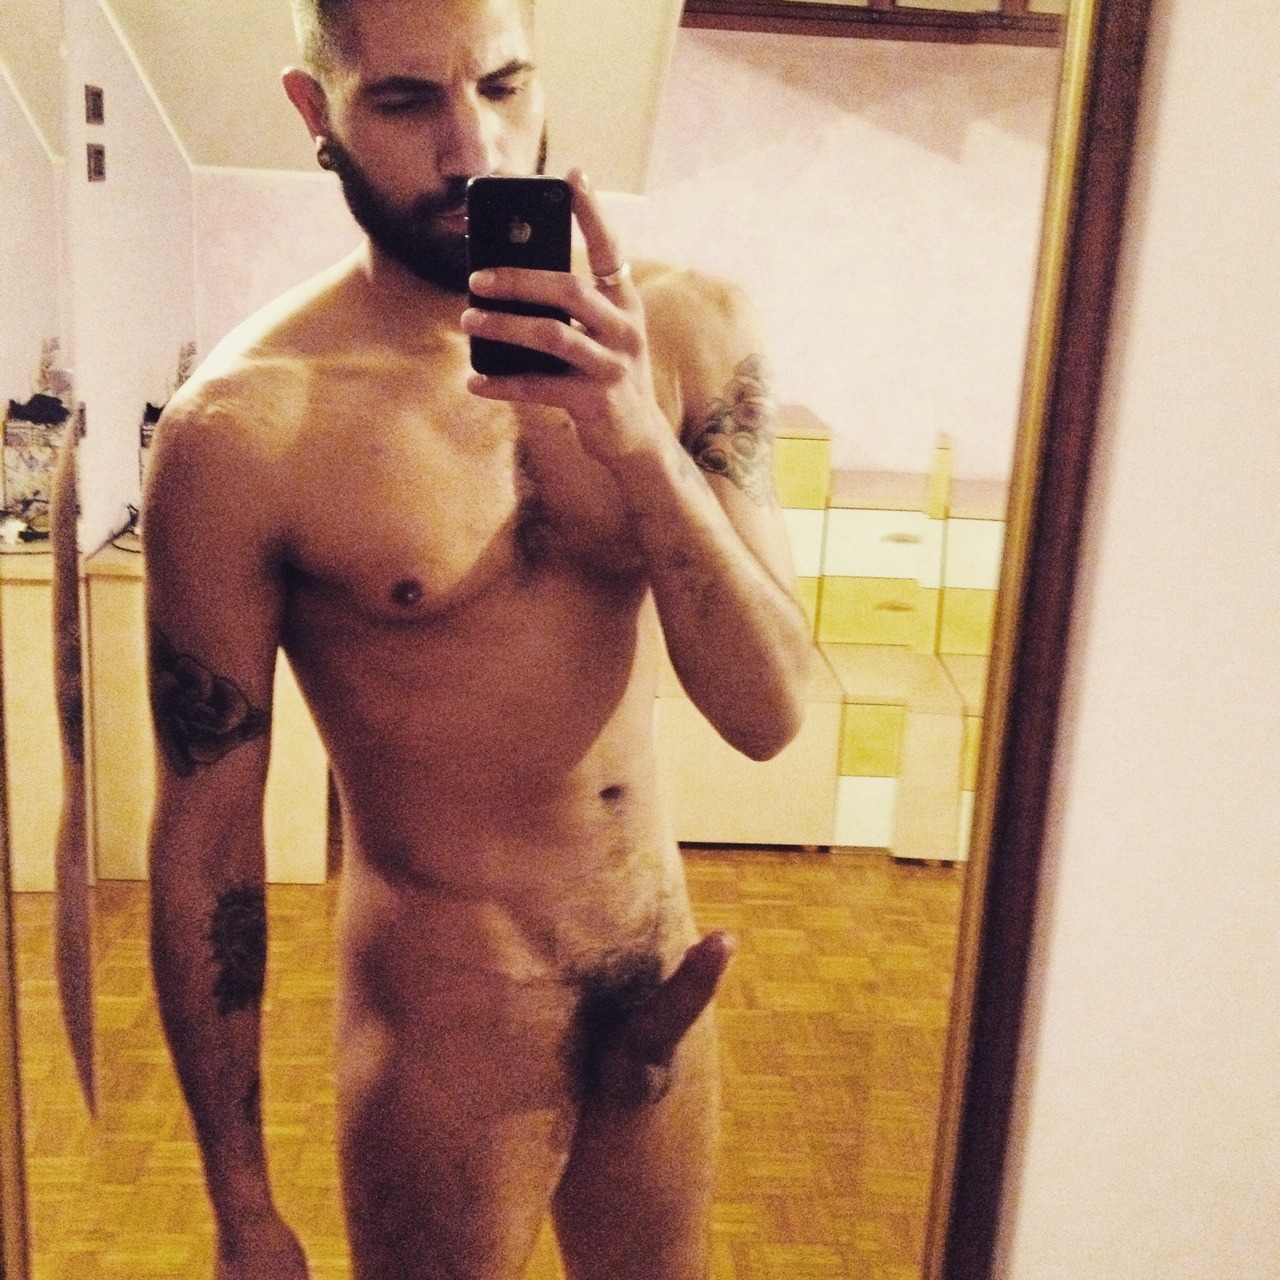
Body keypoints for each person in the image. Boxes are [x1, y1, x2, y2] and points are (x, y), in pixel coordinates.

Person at [144, 0, 811, 1276]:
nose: (474, 150)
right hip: (449, 1031)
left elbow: (769, 713)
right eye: (406, 102)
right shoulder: (243, 432)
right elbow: (205, 842)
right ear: (315, 113)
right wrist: (241, 1206)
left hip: (659, 988)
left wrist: (636, 441)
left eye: (502, 86)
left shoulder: (687, 334)